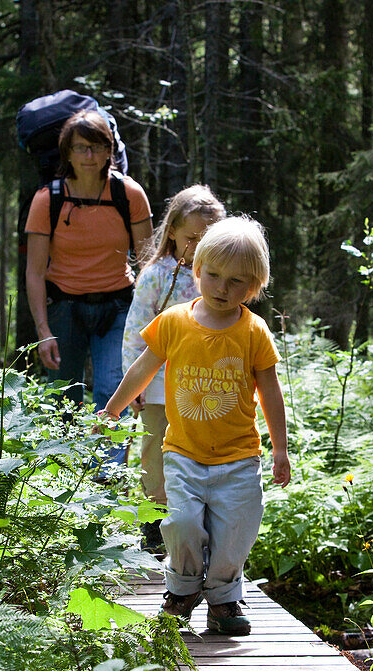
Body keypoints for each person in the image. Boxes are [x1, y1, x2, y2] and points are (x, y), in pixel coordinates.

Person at [100, 216, 291, 635]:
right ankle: (183, 588)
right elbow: (142, 368)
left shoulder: (254, 332)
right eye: (215, 275)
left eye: (237, 281)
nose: (223, 288)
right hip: (184, 451)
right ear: (197, 270)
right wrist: (113, 408)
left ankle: (223, 597)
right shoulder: (174, 321)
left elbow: (271, 392)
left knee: (236, 533)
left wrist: (280, 448)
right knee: (181, 521)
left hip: (239, 457)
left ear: (253, 287)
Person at [24, 110, 153, 464]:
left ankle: (105, 480)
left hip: (117, 308)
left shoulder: (129, 194)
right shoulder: (47, 200)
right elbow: (35, 272)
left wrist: (149, 324)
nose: (89, 156)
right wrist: (43, 332)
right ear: (67, 153)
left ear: (109, 150)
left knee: (115, 392)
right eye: (81, 148)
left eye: (96, 147)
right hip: (64, 308)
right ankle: (65, 476)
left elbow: (148, 265)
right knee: (64, 397)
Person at [120, 185, 226, 551]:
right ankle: (155, 529)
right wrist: (132, 386)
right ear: (173, 234)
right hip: (158, 387)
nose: (197, 246)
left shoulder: (219, 279)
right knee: (155, 454)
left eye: (207, 238)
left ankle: (200, 529)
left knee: (202, 458)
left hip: (208, 391)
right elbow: (136, 332)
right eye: (191, 237)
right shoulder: (157, 275)